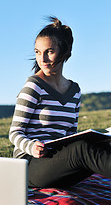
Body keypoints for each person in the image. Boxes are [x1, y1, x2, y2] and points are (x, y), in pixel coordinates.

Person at [9, 16, 111, 188]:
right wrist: (31, 146)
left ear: (65, 52)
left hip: (59, 162)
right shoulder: (33, 86)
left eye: (49, 51)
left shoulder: (75, 90)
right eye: (37, 52)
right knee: (82, 149)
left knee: (97, 145)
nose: (42, 59)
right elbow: (15, 133)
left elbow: (71, 132)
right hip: (30, 164)